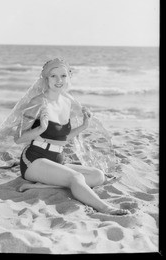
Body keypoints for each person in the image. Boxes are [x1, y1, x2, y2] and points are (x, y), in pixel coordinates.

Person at [13, 58, 130, 216]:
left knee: (98, 176)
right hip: (34, 160)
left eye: (63, 75)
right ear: (45, 79)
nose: (59, 80)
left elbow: (62, 138)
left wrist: (83, 126)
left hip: (57, 158)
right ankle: (105, 208)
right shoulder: (38, 102)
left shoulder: (67, 102)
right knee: (76, 177)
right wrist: (41, 128)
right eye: (53, 76)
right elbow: (18, 138)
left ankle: (42, 186)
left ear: (68, 77)